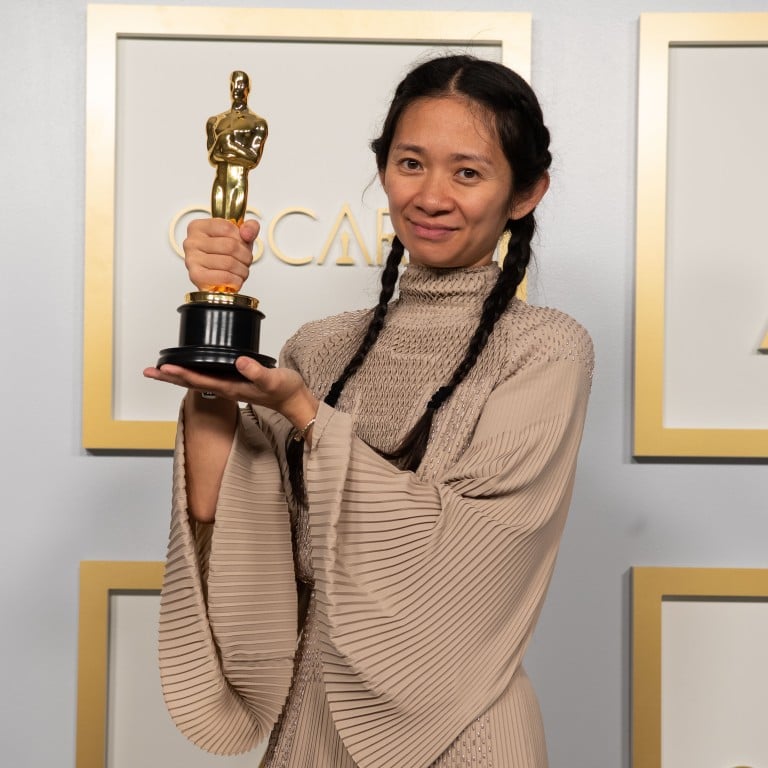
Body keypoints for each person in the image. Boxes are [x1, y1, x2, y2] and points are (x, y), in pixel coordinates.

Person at [144, 54, 593, 768]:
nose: (433, 196)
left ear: (525, 192)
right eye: (411, 163)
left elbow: (468, 560)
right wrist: (212, 346)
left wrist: (306, 413)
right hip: (313, 723)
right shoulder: (319, 347)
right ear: (383, 169)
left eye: (468, 172)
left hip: (462, 726)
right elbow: (219, 510)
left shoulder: (544, 349)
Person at [207, 70, 268, 231]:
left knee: (233, 230)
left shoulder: (256, 122)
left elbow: (253, 158)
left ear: (248, 89)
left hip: (238, 179)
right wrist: (224, 143)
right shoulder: (215, 121)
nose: (237, 88)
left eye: (241, 84)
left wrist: (227, 146)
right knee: (216, 229)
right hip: (219, 180)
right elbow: (212, 157)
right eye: (234, 84)